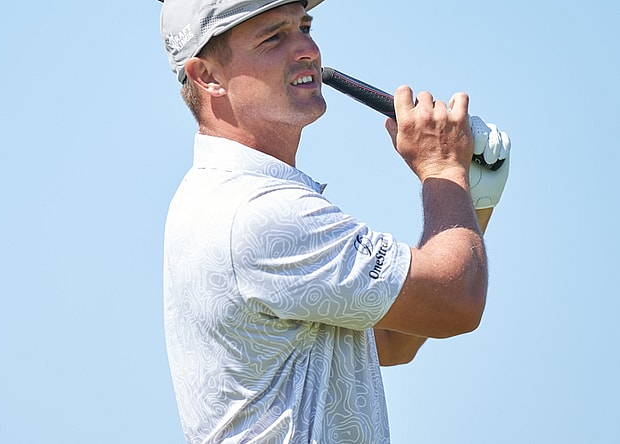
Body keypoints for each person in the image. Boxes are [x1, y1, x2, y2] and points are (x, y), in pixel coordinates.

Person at [159, 1, 511, 443]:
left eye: (304, 27)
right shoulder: (259, 210)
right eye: (274, 37)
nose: (307, 49)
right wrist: (442, 168)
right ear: (207, 75)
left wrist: (469, 198)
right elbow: (455, 301)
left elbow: (392, 338)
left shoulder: (224, 194)